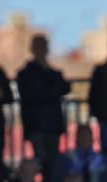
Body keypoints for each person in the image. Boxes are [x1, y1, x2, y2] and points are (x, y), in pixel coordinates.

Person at [16, 34, 71, 173]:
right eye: (38, 47)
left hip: (52, 125)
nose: (41, 50)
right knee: (42, 162)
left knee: (54, 164)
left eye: (43, 47)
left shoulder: (52, 72)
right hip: (36, 125)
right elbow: (33, 93)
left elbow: (65, 87)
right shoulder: (26, 74)